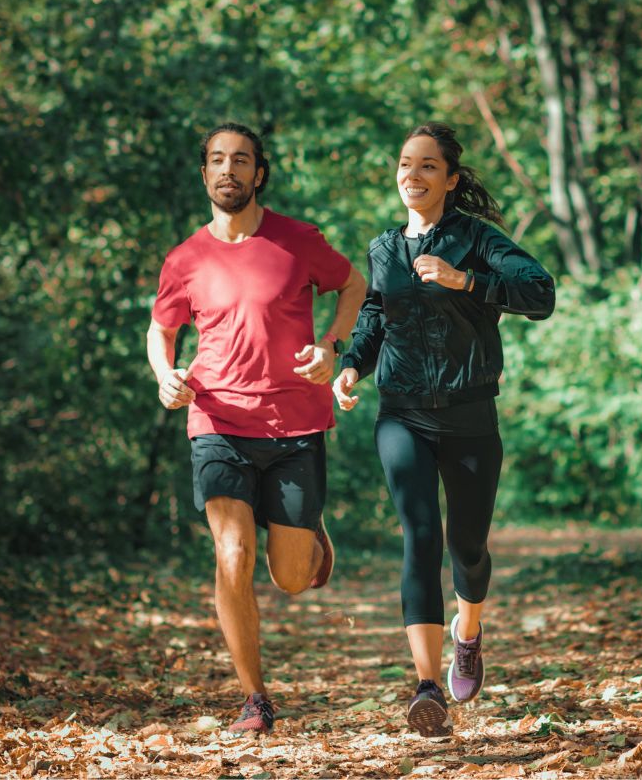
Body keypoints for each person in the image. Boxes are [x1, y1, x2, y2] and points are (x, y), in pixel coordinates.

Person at [333, 122, 555, 737]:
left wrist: (469, 281)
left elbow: (541, 292)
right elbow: (375, 314)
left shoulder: (479, 241)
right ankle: (426, 686)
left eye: (429, 166)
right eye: (406, 163)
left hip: (469, 415)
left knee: (468, 547)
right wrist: (351, 365)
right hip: (400, 412)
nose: (414, 174)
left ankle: (470, 629)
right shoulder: (384, 249)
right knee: (420, 536)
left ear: (451, 180)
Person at [147, 122, 366, 734]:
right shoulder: (186, 258)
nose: (228, 170)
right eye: (217, 160)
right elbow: (161, 330)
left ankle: (309, 533)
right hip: (217, 420)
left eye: (240, 160)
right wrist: (165, 374)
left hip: (296, 424)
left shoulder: (298, 241)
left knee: (292, 579)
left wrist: (333, 347)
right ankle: (255, 698)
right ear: (204, 173)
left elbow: (354, 283)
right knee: (231, 552)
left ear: (258, 173)